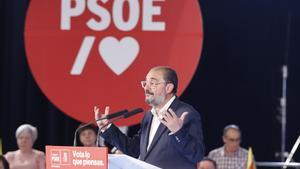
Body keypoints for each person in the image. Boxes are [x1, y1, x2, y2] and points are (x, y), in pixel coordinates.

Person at [95, 66, 204, 169]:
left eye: (152, 83)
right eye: (145, 83)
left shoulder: (185, 113)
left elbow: (197, 155)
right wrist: (107, 128)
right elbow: (134, 150)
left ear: (168, 87)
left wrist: (178, 132)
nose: (146, 88)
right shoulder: (149, 116)